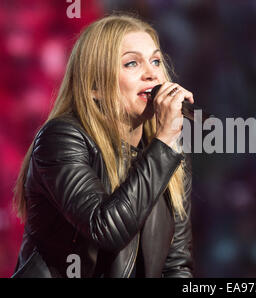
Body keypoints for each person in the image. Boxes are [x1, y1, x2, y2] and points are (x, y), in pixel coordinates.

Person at [11, 14, 195, 278]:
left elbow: (176, 264)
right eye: (132, 63)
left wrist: (166, 145)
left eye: (155, 61)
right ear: (95, 86)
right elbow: (105, 229)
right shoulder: (61, 139)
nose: (152, 74)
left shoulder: (168, 151)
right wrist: (165, 143)